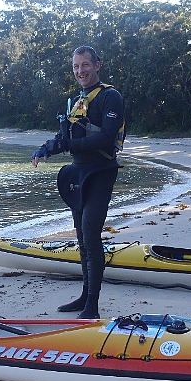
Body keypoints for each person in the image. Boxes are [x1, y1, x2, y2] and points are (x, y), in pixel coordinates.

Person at [31, 45, 125, 319]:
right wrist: (46, 148)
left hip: (101, 171)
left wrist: (66, 144)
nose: (80, 71)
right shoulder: (76, 101)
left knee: (91, 236)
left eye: (85, 65)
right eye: (75, 66)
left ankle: (92, 306)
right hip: (78, 173)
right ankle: (85, 295)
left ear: (97, 65)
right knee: (81, 238)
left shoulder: (111, 97)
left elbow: (106, 138)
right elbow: (64, 138)